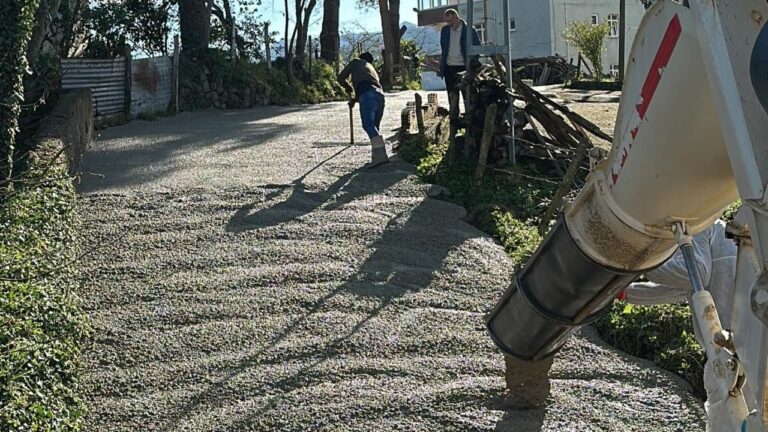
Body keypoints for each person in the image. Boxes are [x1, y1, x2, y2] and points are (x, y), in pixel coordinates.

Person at [617, 219, 738, 432]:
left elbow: (695, 273)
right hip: (742, 348)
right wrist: (627, 293)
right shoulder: (725, 237)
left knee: (728, 422)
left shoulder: (699, 225)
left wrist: (639, 261)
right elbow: (687, 288)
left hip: (728, 354)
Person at [337, 52, 388, 168]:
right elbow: (370, 89)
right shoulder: (372, 69)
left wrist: (347, 87)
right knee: (375, 127)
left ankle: (380, 156)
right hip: (380, 95)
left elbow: (340, 78)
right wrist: (355, 100)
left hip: (367, 94)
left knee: (368, 125)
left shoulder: (356, 62)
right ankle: (377, 157)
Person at [437, 8, 481, 124]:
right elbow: (444, 49)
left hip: (464, 67)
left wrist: (472, 64)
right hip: (449, 68)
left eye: (450, 20)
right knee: (452, 95)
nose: (448, 23)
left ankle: (470, 121)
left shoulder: (469, 30)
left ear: (457, 18)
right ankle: (454, 121)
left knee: (468, 96)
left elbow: (477, 47)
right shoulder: (445, 30)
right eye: (447, 21)